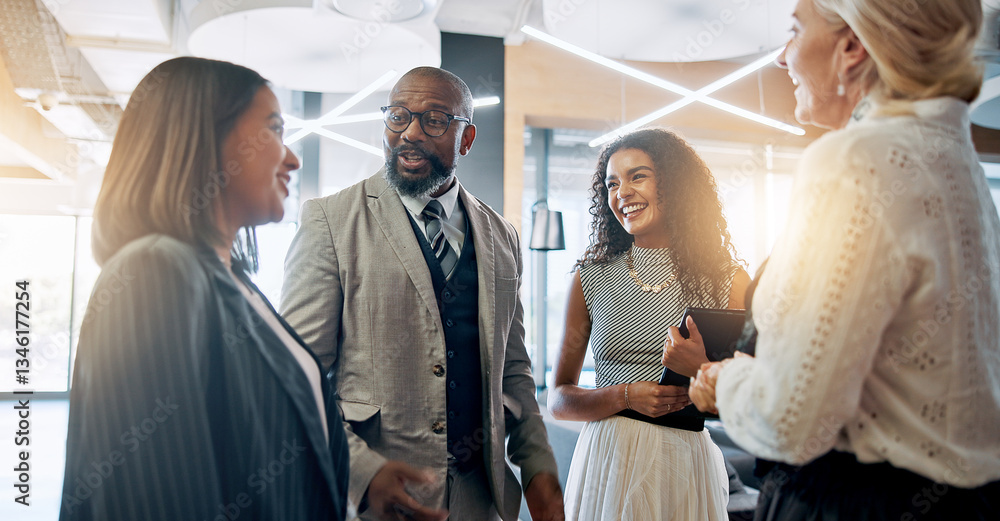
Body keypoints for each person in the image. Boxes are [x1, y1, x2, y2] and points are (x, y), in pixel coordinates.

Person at [678, 0, 1000, 519]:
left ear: (851, 47)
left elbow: (792, 422)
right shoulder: (955, 161)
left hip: (852, 501)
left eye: (795, 31)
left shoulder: (855, 160)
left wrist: (721, 382)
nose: (783, 58)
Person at [58, 57, 350, 520]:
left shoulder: (232, 281)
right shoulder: (153, 273)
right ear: (201, 138)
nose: (292, 158)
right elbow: (154, 500)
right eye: (274, 129)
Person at [280, 66, 564, 521]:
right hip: (378, 503)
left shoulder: (503, 236)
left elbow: (513, 369)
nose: (409, 133)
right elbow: (295, 381)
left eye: (433, 120)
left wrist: (540, 471)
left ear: (466, 139)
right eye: (397, 116)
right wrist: (365, 473)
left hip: (480, 499)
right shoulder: (329, 222)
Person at [548, 127, 750, 520]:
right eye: (612, 183)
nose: (621, 192)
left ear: (674, 185)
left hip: (684, 463)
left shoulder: (728, 280)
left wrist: (702, 370)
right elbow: (558, 399)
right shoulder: (589, 278)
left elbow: (750, 399)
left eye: (637, 176)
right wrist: (623, 397)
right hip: (607, 462)